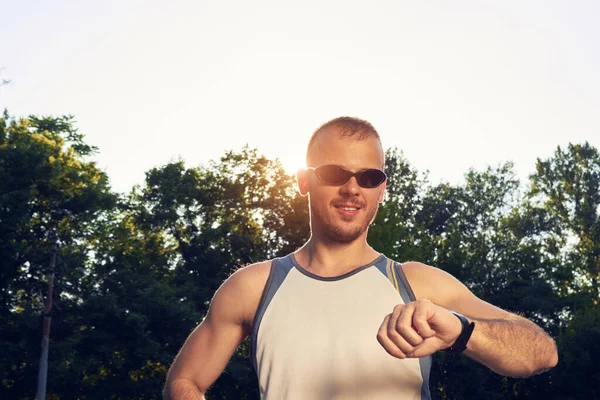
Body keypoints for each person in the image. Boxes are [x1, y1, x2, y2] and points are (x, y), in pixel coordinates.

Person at [163, 117, 558, 400]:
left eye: (369, 177)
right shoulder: (253, 287)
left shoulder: (418, 284)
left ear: (381, 190)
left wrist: (461, 331)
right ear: (304, 180)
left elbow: (541, 352)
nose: (353, 187)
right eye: (335, 172)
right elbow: (184, 382)